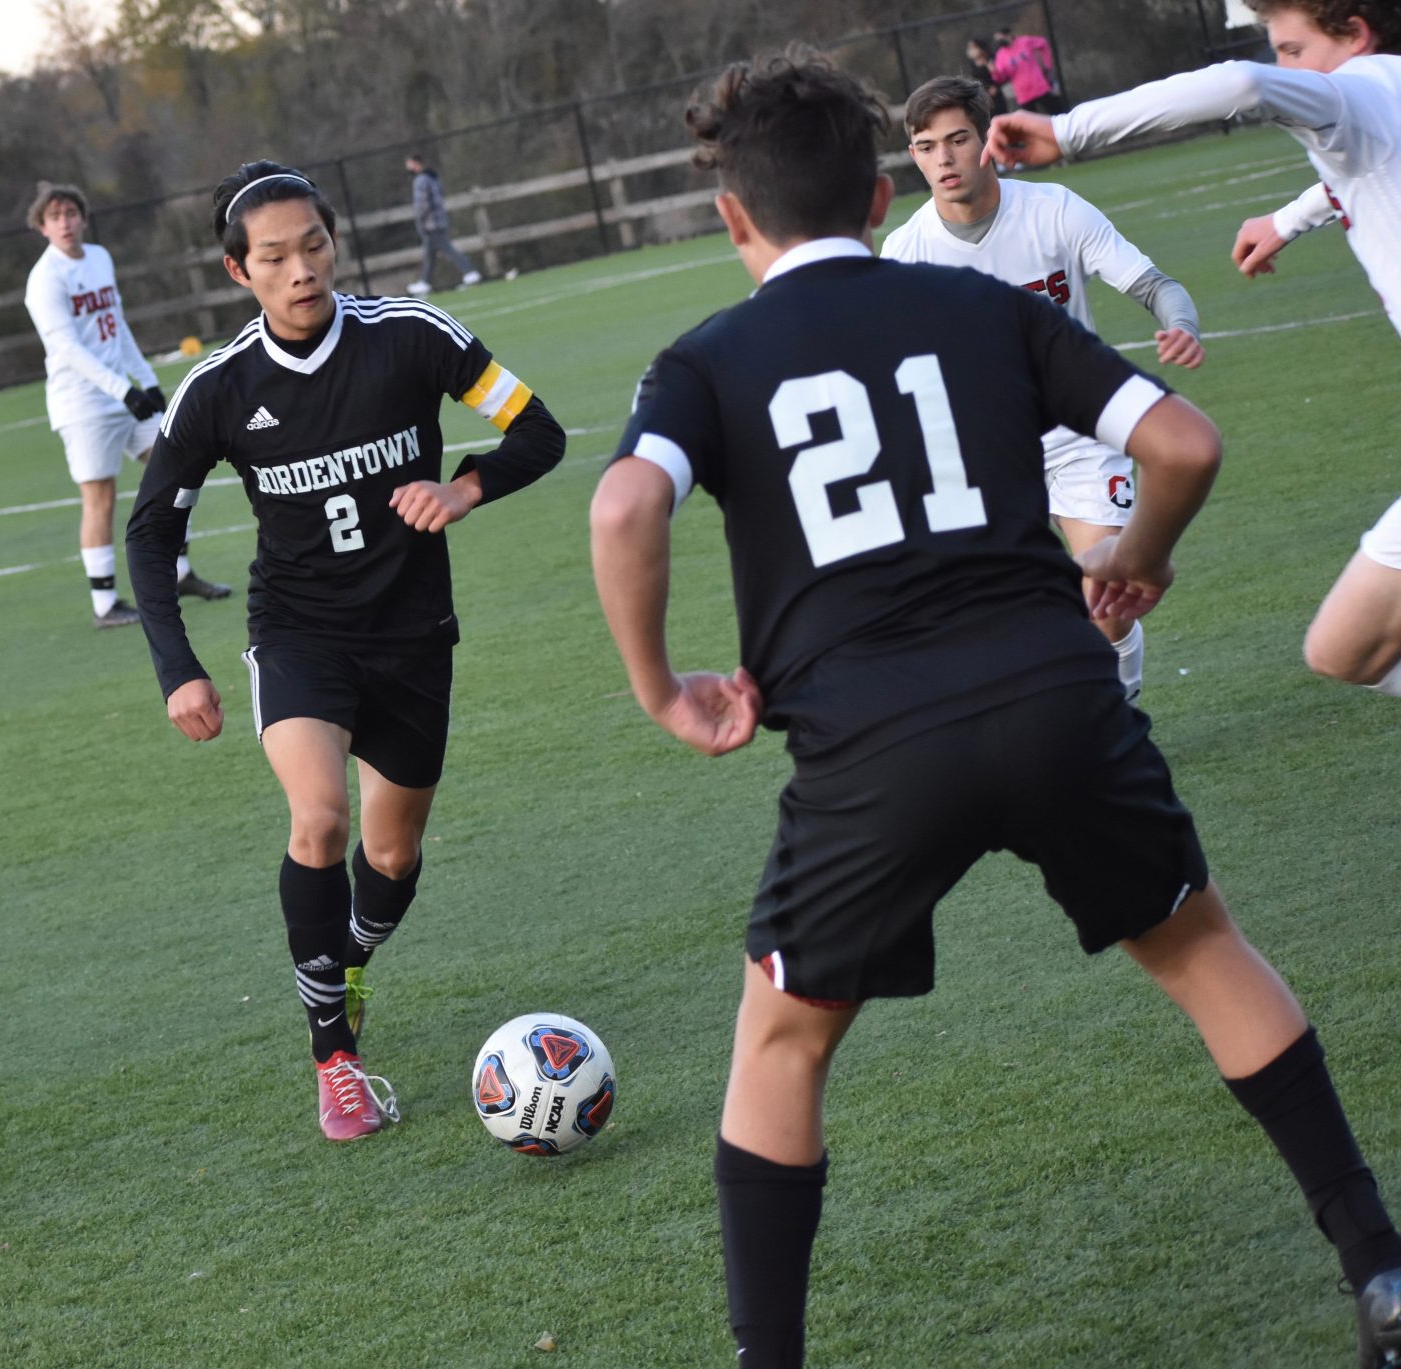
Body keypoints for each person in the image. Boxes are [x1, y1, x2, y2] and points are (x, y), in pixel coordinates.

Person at [589, 50, 1401, 1367]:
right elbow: (1183, 442)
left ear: (733, 217)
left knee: (784, 1040)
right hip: (1056, 696)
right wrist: (1136, 562)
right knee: (1200, 950)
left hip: (869, 747)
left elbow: (625, 506)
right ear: (874, 194)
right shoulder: (976, 306)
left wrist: (662, 692)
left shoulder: (707, 359)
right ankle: (1380, 1270)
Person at [126, 160, 564, 1141]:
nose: (300, 270)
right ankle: (334, 1056)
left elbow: (538, 431)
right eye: (273, 257)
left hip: (412, 636)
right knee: (319, 818)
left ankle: (349, 957)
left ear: (334, 244)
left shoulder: (414, 337)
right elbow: (151, 531)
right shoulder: (218, 388)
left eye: (313, 246)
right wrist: (177, 668)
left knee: (391, 850)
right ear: (238, 271)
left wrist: (464, 489)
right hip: (299, 636)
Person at [986, 0, 1401, 696]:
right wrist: (1288, 217)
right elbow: (1363, 171)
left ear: (1355, 34)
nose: (1284, 66)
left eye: (1293, 50)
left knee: (1346, 649)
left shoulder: (1350, 95)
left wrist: (1068, 129)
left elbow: (1241, 87)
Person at [881, 75, 1207, 702]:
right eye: (926, 146)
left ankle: (1118, 710)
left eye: (957, 140)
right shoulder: (905, 251)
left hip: (1080, 432)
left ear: (989, 140)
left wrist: (1182, 325)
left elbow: (1155, 285)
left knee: (1110, 602)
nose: (944, 159)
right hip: (981, 450)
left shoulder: (1055, 209)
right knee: (990, 622)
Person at [24, 180, 229, 628]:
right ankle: (105, 605)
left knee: (177, 466)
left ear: (83, 217)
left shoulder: (99, 258)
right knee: (100, 498)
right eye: (54, 216)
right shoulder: (44, 280)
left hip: (122, 392)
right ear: (42, 226)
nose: (65, 222)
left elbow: (116, 326)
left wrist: (148, 380)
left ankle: (180, 573)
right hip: (83, 403)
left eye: (71, 213)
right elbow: (67, 350)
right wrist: (124, 390)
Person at [403, 154, 483, 296]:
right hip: (439, 220)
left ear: (416, 164)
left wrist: (421, 222)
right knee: (430, 254)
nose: (407, 167)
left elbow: (423, 205)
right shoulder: (433, 177)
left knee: (447, 249)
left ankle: (470, 272)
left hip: (430, 224)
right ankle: (424, 282)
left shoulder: (421, 180)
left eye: (408, 164)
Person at [990, 24, 1062, 114]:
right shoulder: (1000, 55)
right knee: (1030, 123)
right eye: (997, 40)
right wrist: (994, 72)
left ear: (1008, 35)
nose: (999, 41)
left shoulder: (1024, 42)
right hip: (1023, 94)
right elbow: (1001, 77)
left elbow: (1043, 43)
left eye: (1000, 38)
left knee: (1058, 113)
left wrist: (1047, 65)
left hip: (1039, 86)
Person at [963, 36, 1005, 112]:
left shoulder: (990, 59)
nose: (971, 49)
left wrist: (996, 86)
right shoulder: (972, 64)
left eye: (973, 46)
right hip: (984, 97)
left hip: (996, 95)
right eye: (969, 47)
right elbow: (976, 79)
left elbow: (1000, 77)